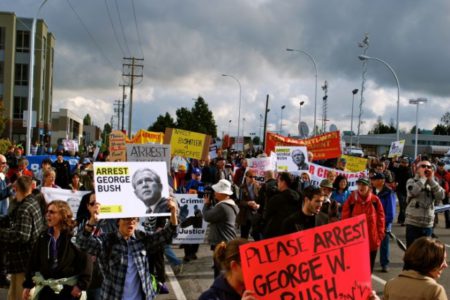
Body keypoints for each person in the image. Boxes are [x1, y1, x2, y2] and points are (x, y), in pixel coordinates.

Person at [76, 197, 179, 300]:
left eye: (134, 219)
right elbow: (82, 242)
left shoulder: (142, 239)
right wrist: (92, 221)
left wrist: (173, 212)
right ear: (118, 222)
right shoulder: (107, 241)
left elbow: (169, 234)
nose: (131, 222)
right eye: (126, 218)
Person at [22, 200, 92, 300]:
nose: (47, 215)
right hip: (46, 290)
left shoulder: (74, 236)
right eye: (47, 212)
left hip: (68, 291)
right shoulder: (44, 236)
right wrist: (28, 285)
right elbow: (33, 261)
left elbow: (86, 260)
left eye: (52, 212)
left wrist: (81, 285)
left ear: (63, 215)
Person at [0, 176, 44, 300]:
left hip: (24, 262)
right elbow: (9, 219)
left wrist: (1, 233)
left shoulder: (25, 208)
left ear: (15, 189)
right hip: (21, 262)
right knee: (13, 295)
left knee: (21, 296)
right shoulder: (30, 202)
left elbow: (22, 236)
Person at [342, 177, 385, 273]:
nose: (361, 187)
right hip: (355, 241)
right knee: (356, 268)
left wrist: (380, 236)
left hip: (372, 241)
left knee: (369, 269)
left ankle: (366, 287)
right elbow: (345, 219)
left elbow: (381, 219)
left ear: (369, 187)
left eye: (364, 185)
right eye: (359, 184)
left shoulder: (375, 200)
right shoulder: (351, 200)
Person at [383, 237, 448, 300]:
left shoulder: (391, 284)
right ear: (431, 261)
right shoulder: (435, 290)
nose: (446, 265)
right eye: (442, 260)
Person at [203, 179, 239, 278]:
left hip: (222, 243)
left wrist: (206, 204)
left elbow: (207, 216)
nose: (214, 193)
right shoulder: (231, 205)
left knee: (220, 273)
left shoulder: (222, 207)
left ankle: (220, 291)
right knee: (223, 271)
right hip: (227, 241)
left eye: (216, 191)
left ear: (222, 193)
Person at [405, 160, 445, 248]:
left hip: (428, 225)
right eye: (423, 166)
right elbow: (413, 192)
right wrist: (423, 178)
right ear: (417, 169)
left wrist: (431, 180)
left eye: (429, 167)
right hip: (413, 223)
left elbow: (441, 196)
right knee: (412, 252)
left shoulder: (434, 182)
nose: (426, 168)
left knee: (425, 254)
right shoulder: (411, 181)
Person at [371, 172, 396, 273]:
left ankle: (384, 263)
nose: (372, 181)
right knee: (371, 243)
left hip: (384, 223)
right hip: (372, 221)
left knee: (384, 244)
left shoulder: (389, 193)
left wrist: (386, 223)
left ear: (381, 181)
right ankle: (369, 263)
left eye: (375, 179)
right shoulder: (371, 191)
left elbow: (391, 211)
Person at [263, 172, 300, 239]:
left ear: (283, 182)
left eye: (278, 181)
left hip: (276, 232)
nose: (277, 183)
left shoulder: (276, 199)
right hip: (291, 233)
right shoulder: (298, 196)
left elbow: (267, 215)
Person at [0, 154, 13, 288]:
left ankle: (2, 276)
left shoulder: (3, 177)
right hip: (0, 216)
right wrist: (10, 188)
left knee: (3, 249)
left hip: (4, 216)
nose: (5, 166)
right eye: (2, 163)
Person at [237, 170, 259, 239]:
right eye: (251, 177)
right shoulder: (241, 187)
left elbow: (260, 199)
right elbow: (239, 201)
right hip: (245, 214)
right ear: (246, 177)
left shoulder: (257, 186)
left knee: (256, 234)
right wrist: (247, 203)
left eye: (254, 177)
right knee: (244, 235)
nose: (253, 179)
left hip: (255, 213)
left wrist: (257, 205)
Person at [392, 157, 413, 226]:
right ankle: (402, 220)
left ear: (408, 163)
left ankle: (403, 219)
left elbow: (411, 179)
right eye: (403, 162)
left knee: (405, 205)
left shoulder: (410, 170)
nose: (404, 164)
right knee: (402, 204)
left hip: (407, 190)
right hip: (400, 189)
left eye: (405, 163)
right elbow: (392, 170)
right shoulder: (398, 169)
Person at [435, 160, 450, 228]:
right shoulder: (434, 174)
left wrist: (449, 192)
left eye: (442, 166)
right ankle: (434, 222)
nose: (441, 167)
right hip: (437, 193)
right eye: (440, 165)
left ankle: (448, 223)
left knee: (446, 209)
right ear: (437, 166)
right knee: (435, 208)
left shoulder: (448, 174)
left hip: (446, 193)